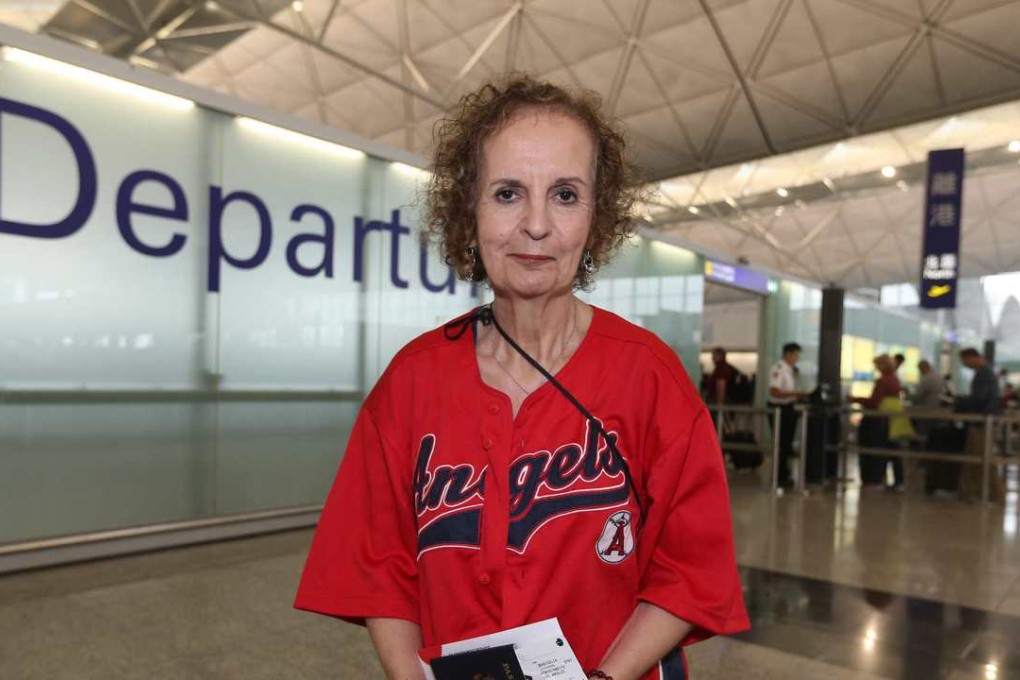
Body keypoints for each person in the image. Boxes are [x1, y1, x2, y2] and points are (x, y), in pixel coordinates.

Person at [294, 76, 749, 680]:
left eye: (565, 195)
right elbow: (382, 570)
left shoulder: (649, 376)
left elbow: (690, 572)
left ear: (597, 213)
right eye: (508, 193)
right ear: (470, 208)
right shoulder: (411, 383)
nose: (536, 225)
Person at [851, 355, 906, 490]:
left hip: (880, 419)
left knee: (877, 447)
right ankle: (898, 481)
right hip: (893, 417)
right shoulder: (895, 379)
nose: (876, 368)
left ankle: (875, 479)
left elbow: (875, 401)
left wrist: (855, 399)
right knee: (892, 448)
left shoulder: (883, 381)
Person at [955, 348, 1002, 501]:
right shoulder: (988, 372)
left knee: (981, 458)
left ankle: (994, 494)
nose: (964, 365)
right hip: (986, 421)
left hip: (982, 423)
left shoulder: (982, 374)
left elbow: (979, 398)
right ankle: (972, 492)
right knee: (979, 458)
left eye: (964, 361)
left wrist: (960, 404)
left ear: (972, 358)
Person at [768, 342, 808, 488]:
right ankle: (779, 477)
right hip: (780, 409)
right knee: (781, 444)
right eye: (796, 355)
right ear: (788, 354)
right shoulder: (779, 368)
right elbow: (774, 391)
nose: (797, 358)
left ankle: (785, 475)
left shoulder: (790, 370)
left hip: (789, 407)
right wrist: (796, 394)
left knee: (787, 445)